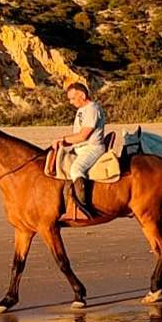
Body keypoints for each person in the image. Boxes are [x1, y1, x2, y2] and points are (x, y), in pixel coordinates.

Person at [56, 80, 109, 219]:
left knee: (76, 169)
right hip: (80, 148)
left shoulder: (92, 109)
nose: (71, 102)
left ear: (83, 95)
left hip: (92, 148)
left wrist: (64, 140)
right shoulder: (81, 110)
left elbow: (84, 135)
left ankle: (84, 208)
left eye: (73, 98)